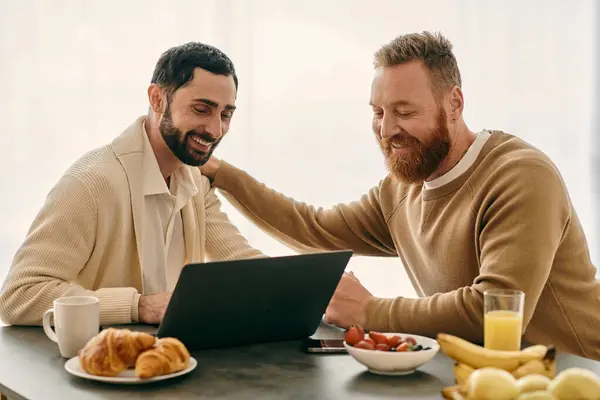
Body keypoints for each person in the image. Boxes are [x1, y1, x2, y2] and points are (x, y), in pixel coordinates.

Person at [200, 31, 600, 360]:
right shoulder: (404, 189)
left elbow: (492, 307)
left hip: (575, 376)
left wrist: (370, 311)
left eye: (405, 113)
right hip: (485, 377)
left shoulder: (520, 176)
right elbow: (315, 227)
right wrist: (220, 174)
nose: (387, 130)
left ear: (454, 103)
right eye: (378, 112)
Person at [0, 42, 265, 327]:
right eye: (202, 109)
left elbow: (241, 261)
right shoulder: (90, 184)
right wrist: (139, 306)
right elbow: (18, 295)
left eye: (226, 115)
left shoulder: (195, 182)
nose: (216, 130)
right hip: (100, 366)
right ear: (157, 99)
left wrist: (306, 289)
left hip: (170, 363)